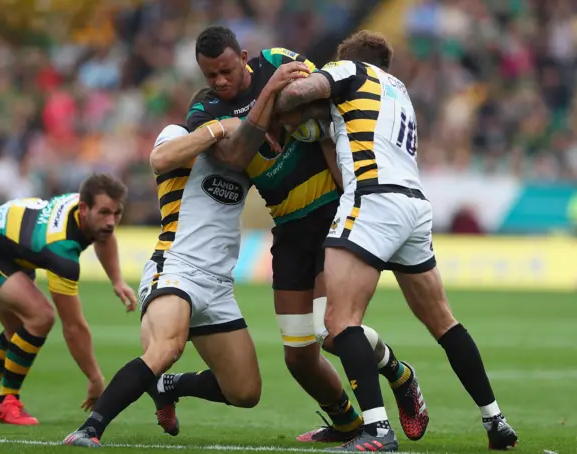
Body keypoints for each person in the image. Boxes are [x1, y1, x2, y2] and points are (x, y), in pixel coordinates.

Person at [179, 25, 429, 444]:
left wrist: (281, 112)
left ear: (243, 57)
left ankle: (397, 379)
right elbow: (237, 155)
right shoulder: (203, 110)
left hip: (333, 213)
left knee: (331, 331)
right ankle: (347, 421)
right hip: (290, 228)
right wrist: (268, 103)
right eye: (211, 76)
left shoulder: (276, 60)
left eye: (225, 70)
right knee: (298, 358)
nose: (219, 82)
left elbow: (331, 103)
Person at [272, 30, 519, 451]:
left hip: (373, 199)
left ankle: (377, 431)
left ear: (348, 58)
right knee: (444, 321)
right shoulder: (397, 91)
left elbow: (301, 92)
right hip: (414, 207)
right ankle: (496, 421)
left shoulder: (348, 68)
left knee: (339, 322)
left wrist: (273, 96)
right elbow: (346, 133)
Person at [63, 61, 308, 447]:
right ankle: (89, 429)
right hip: (176, 267)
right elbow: (159, 160)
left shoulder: (242, 156)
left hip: (219, 285)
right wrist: (220, 127)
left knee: (245, 392)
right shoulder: (179, 133)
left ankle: (168, 386)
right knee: (167, 348)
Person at [0, 173, 135, 426]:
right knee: (41, 316)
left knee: (17, 330)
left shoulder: (84, 210)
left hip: (8, 248)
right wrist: (95, 378)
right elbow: (73, 327)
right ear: (84, 208)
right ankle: (8, 401)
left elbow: (104, 235)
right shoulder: (60, 250)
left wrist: (117, 280)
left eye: (117, 213)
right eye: (104, 212)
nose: (111, 221)